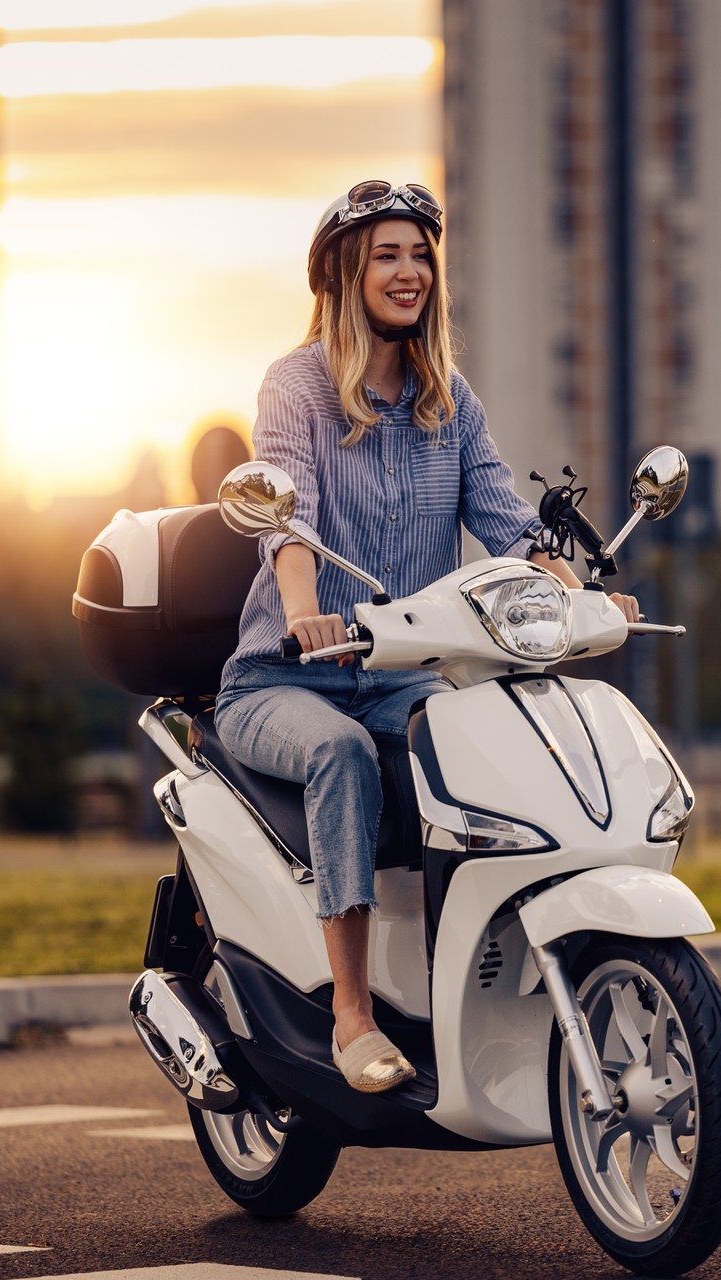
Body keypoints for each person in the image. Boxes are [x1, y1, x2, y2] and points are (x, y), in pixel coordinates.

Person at [214, 181, 638, 1094]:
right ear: (343, 275)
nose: (408, 273)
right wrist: (301, 613)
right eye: (386, 256)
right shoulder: (298, 387)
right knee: (341, 758)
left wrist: (581, 592)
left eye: (419, 256)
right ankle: (353, 1016)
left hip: (403, 677)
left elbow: (502, 513)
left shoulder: (449, 401)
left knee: (488, 761)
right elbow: (288, 514)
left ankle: (459, 996)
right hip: (284, 683)